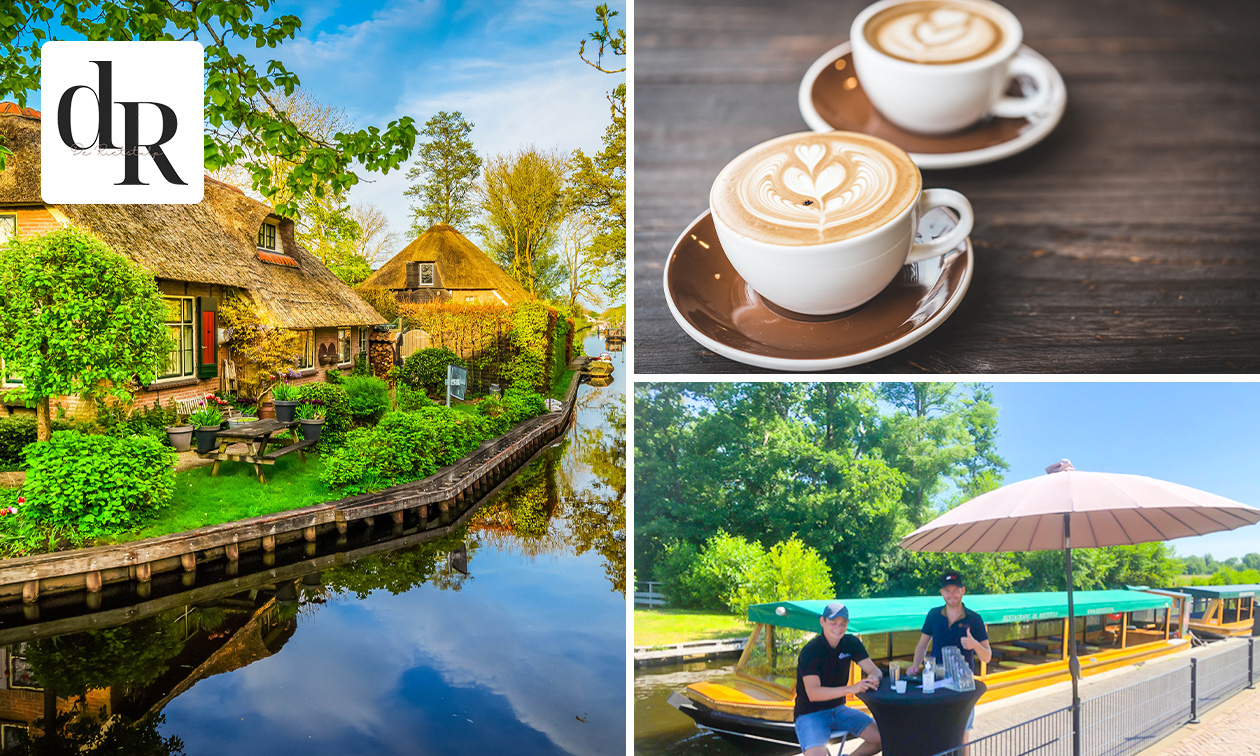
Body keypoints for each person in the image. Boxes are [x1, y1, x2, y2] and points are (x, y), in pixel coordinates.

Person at [908, 570, 991, 739]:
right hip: (935, 680)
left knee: (962, 732)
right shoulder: (933, 615)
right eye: (947, 591)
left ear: (963, 590)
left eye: (955, 590)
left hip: (962, 683)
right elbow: (922, 646)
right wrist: (915, 666)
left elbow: (987, 657)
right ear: (941, 593)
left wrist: (974, 644)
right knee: (934, 728)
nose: (951, 594)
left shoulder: (975, 619)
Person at [794, 602, 883, 756]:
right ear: (822, 622)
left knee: (883, 740)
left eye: (843, 624)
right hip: (810, 713)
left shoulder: (851, 643)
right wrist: (851, 688)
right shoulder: (810, 651)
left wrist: (874, 677)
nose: (838, 627)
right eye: (833, 623)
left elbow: (875, 670)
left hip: (839, 710)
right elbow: (813, 693)